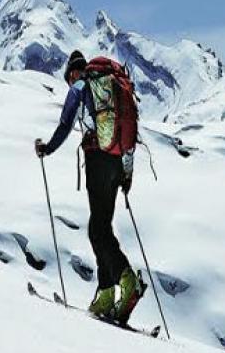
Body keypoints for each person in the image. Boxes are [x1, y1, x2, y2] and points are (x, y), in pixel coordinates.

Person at [35, 50, 144, 324]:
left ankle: (126, 279)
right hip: (118, 163)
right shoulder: (112, 86)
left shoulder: (81, 86)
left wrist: (47, 149)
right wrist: (127, 175)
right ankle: (105, 294)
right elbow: (127, 132)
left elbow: (65, 124)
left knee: (97, 229)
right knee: (102, 226)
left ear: (73, 72)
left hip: (98, 159)